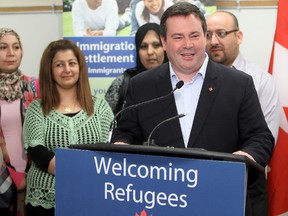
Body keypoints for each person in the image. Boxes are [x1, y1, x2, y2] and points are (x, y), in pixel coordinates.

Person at [111, 2, 274, 215]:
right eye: (178, 37)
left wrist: (242, 159)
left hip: (221, 200)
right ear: (164, 41)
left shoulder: (239, 83)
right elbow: (126, 132)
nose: (188, 44)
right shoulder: (141, 85)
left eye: (195, 35)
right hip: (160, 202)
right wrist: (121, 144)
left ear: (205, 36)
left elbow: (260, 137)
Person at [23, 39, 114, 215]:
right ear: (49, 70)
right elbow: (37, 151)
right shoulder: (36, 109)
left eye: (72, 63)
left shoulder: (100, 107)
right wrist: (82, 171)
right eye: (59, 65)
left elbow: (109, 150)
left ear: (80, 67)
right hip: (45, 204)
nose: (67, 70)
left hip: (92, 197)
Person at [205, 11, 280, 216]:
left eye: (221, 33)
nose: (213, 41)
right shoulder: (195, 80)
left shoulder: (261, 81)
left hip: (247, 187)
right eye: (208, 34)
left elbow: (265, 140)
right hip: (202, 185)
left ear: (238, 37)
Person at [0, 27, 39, 216]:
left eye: (16, 47)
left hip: (37, 174)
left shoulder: (35, 86)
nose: (10, 53)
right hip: (2, 179)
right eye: (3, 47)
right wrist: (13, 176)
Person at [105, 22, 168, 115]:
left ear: (165, 47)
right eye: (143, 46)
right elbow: (106, 123)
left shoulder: (177, 82)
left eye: (156, 45)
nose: (150, 52)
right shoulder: (123, 83)